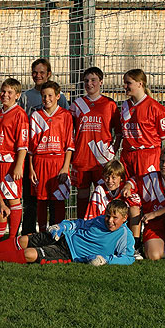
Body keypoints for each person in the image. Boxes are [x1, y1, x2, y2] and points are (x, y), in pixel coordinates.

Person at [0, 200, 135, 266]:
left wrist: (105, 260)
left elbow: (128, 258)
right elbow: (79, 223)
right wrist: (61, 227)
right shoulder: (99, 219)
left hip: (68, 252)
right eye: (108, 216)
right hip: (63, 237)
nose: (110, 220)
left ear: (125, 218)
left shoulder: (124, 235)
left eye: (115, 218)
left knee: (29, 254)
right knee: (24, 240)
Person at [18, 58, 68, 235]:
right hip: (36, 158)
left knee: (57, 200)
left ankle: (58, 234)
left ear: (49, 74)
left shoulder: (62, 107)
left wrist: (66, 165)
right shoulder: (26, 98)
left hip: (56, 160)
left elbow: (67, 137)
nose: (38, 76)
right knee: (33, 199)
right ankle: (32, 234)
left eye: (41, 72)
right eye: (35, 72)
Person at [70, 67, 121, 218]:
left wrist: (113, 151)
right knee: (82, 194)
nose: (89, 84)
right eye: (86, 81)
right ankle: (81, 226)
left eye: (93, 80)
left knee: (102, 194)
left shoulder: (109, 104)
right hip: (82, 158)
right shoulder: (77, 104)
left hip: (102, 159)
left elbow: (118, 132)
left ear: (101, 82)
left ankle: (101, 226)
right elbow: (69, 131)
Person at [122, 146, 165, 262]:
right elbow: (135, 180)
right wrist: (127, 187)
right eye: (162, 161)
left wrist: (154, 214)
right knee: (153, 256)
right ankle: (150, 245)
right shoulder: (151, 177)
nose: (164, 164)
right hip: (154, 225)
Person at [0, 78, 28, 238]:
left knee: (13, 199)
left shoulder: (20, 115)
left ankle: (12, 238)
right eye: (3, 91)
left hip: (9, 164)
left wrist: (18, 166)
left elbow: (23, 144)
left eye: (9, 92)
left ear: (17, 95)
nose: (5, 95)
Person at [119, 68, 165, 178]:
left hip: (147, 155)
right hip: (127, 155)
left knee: (146, 190)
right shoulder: (125, 105)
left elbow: (164, 135)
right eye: (124, 83)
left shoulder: (155, 107)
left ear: (140, 84)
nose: (125, 86)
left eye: (128, 83)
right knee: (127, 191)